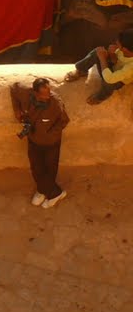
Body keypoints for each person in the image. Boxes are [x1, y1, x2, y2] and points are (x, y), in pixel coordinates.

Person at [9, 76, 69, 207]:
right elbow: (13, 88)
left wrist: (48, 133)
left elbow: (64, 121)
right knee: (36, 168)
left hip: (51, 143)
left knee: (50, 169)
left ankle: (52, 193)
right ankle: (47, 191)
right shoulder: (25, 93)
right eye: (43, 95)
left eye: (49, 93)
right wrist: (17, 110)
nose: (48, 97)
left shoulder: (55, 102)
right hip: (33, 140)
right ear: (35, 92)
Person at [64, 28, 133, 105]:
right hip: (113, 69)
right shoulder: (123, 50)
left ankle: (102, 96)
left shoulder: (131, 67)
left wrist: (102, 59)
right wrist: (111, 55)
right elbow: (115, 61)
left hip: (117, 80)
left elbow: (110, 79)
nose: (116, 43)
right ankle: (81, 70)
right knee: (98, 51)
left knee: (109, 83)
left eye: (118, 43)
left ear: (125, 49)